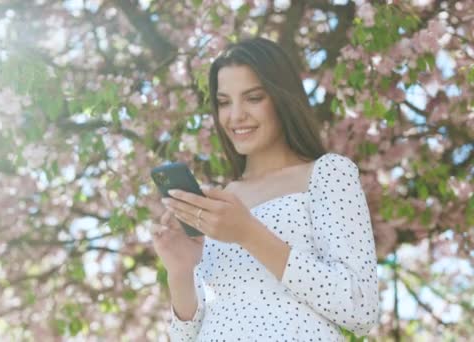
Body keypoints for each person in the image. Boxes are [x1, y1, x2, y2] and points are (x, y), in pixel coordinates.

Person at [151, 37, 379, 341]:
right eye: (224, 102)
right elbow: (186, 336)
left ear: (282, 98)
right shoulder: (222, 200)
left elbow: (361, 309)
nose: (236, 115)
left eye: (253, 97)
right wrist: (179, 271)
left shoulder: (327, 173)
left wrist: (248, 233)